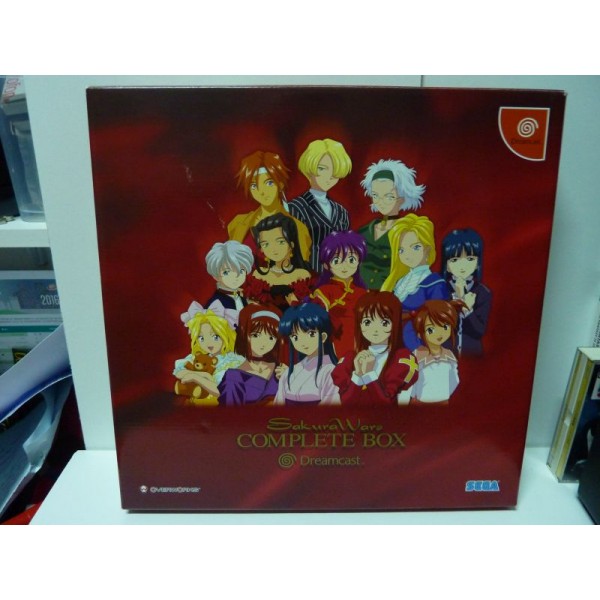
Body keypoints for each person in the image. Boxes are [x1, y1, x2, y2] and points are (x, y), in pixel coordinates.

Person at [331, 291, 418, 406]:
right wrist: (358, 374)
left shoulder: (402, 358)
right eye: (367, 322)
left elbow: (385, 404)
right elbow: (346, 403)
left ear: (395, 323)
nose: (375, 329)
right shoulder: (350, 358)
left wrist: (369, 374)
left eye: (384, 322)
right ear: (359, 324)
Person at [381, 214, 449, 351]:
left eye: (415, 247)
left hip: (420, 346)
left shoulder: (435, 284)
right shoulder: (400, 281)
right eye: (401, 250)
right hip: (394, 343)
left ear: (428, 249)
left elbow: (439, 324)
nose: (407, 255)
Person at [228, 150, 311, 261]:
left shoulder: (298, 229)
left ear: (280, 184)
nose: (262, 191)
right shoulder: (238, 224)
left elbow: (304, 266)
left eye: (269, 183)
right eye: (254, 186)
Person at [357, 158, 426, 289]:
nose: (381, 202)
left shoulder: (407, 233)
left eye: (389, 196)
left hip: (391, 296)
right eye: (375, 195)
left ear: (403, 197)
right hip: (359, 294)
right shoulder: (363, 232)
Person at [287, 138, 352, 272]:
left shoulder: (341, 212)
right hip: (307, 276)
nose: (329, 177)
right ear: (310, 168)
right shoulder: (295, 207)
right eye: (322, 169)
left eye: (334, 171)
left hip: (337, 276)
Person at [174, 300, 243, 405]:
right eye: (201, 338)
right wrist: (200, 376)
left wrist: (195, 376)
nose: (208, 343)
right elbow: (180, 373)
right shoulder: (198, 357)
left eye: (215, 337)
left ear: (226, 334)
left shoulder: (234, 361)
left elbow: (221, 390)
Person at [311, 230, 368, 357]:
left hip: (362, 342)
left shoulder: (363, 293)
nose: (344, 266)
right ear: (326, 265)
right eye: (336, 260)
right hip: (334, 344)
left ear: (359, 261)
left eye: (351, 259)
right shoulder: (323, 292)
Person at [274, 302, 340, 406]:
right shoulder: (288, 373)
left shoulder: (330, 372)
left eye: (311, 334)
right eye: (295, 337)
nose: (303, 342)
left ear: (323, 337)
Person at [243, 213, 313, 310]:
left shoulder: (302, 275)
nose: (273, 249)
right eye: (266, 244)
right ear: (261, 249)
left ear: (292, 244)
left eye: (280, 242)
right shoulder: (258, 275)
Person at [217, 303, 283, 406]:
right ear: (244, 334)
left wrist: (289, 379)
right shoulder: (233, 377)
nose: (263, 343)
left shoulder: (281, 369)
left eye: (271, 337)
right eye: (256, 335)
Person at [440, 228, 492, 356]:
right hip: (444, 356)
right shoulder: (439, 290)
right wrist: (458, 299)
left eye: (469, 259)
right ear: (447, 265)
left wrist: (467, 309)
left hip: (473, 355)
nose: (462, 266)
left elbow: (479, 331)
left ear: (477, 262)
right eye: (455, 260)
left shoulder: (483, 293)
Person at [408, 299, 466, 404]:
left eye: (445, 326)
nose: (439, 333)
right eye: (430, 329)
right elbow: (410, 382)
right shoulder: (417, 356)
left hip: (444, 402)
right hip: (420, 403)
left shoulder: (449, 355)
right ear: (420, 333)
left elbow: (454, 380)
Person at [204, 240, 253, 313]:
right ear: (216, 276)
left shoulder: (242, 299)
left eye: (241, 271)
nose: (236, 276)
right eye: (226, 272)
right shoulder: (215, 304)